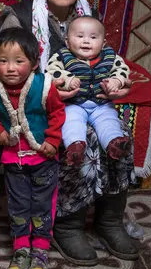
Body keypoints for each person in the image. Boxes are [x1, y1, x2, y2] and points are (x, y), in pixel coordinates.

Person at [0, 0, 139, 265]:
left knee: (116, 135)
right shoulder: (18, 16)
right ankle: (68, 223)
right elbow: (4, 73)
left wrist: (116, 85)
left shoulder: (88, 20)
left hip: (85, 101)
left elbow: (107, 62)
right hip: (29, 103)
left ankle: (109, 222)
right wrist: (46, 92)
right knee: (83, 139)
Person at [0, 27, 65, 269]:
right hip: (13, 158)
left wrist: (52, 140)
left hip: (43, 157)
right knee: (17, 203)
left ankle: (41, 249)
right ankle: (21, 248)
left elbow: (58, 113)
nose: (10, 68)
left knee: (41, 204)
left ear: (35, 63)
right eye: (3, 61)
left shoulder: (43, 85)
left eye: (19, 61)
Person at [46, 16, 131, 164]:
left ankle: (114, 144)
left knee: (109, 121)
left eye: (93, 37)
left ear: (103, 43)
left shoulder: (110, 56)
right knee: (71, 121)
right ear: (67, 41)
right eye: (79, 36)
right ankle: (75, 147)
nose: (86, 41)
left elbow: (122, 70)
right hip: (74, 104)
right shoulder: (62, 56)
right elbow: (51, 72)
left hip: (102, 104)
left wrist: (116, 81)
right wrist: (68, 80)